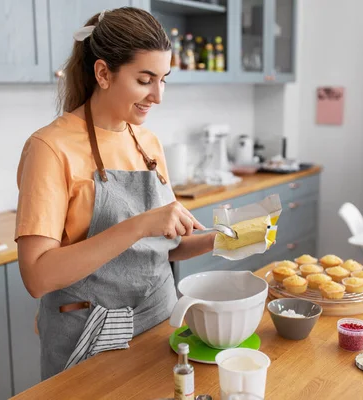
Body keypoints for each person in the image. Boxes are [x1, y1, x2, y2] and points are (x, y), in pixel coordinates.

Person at [15, 7, 216, 380]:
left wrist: (218, 241)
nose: (158, 95)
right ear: (103, 73)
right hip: (89, 335)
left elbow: (163, 247)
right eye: (145, 80)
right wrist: (140, 225)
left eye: (164, 79)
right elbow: (37, 277)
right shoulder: (50, 147)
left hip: (161, 321)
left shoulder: (147, 141)